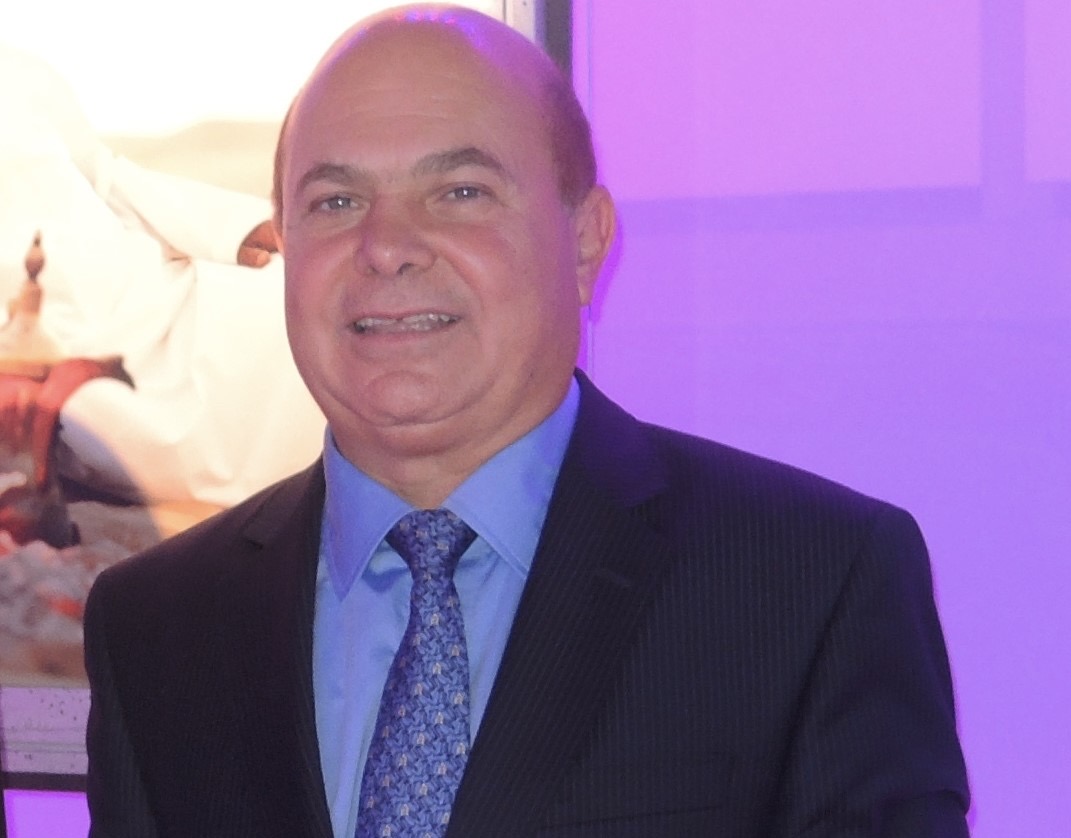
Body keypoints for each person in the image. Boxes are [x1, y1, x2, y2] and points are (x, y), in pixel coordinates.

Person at [82, 5, 970, 836]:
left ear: (584, 241)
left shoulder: (809, 583)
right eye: (336, 202)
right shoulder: (153, 626)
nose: (385, 247)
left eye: (459, 191)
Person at [0, 44, 324, 509]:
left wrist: (233, 229)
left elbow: (106, 178)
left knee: (304, 296)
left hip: (149, 289)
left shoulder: (20, 70)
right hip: (50, 349)